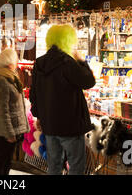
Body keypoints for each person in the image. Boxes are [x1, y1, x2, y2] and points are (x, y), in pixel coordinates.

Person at [30, 25, 95, 175]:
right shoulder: (68, 63)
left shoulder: (39, 63)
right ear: (68, 40)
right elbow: (89, 82)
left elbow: (35, 94)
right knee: (76, 166)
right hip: (70, 125)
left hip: (50, 125)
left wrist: (39, 116)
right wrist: (82, 61)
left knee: (54, 165)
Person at [0, 48, 29, 175]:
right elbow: (2, 110)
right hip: (5, 131)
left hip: (9, 130)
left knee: (5, 163)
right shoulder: (1, 79)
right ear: (10, 62)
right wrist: (9, 133)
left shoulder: (8, 76)